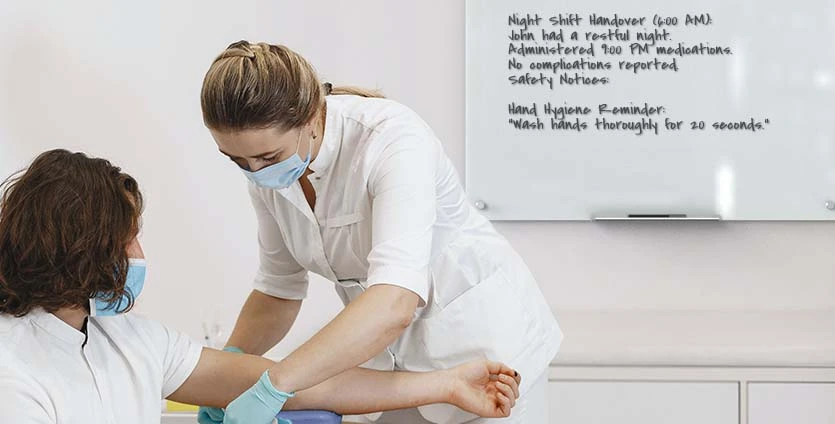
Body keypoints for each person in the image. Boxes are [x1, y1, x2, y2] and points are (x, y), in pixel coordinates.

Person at [0, 149, 522, 424]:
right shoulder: (13, 371)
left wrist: (446, 384)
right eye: (129, 242)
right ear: (82, 250)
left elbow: (301, 384)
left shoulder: (131, 341)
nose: (138, 257)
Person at [199, 40, 563, 424]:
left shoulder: (392, 141)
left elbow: (394, 302)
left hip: (486, 360)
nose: (255, 172)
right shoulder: (266, 174)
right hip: (391, 370)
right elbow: (278, 288)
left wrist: (273, 386)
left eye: (268, 158)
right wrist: (226, 367)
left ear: (310, 119)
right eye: (237, 160)